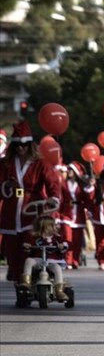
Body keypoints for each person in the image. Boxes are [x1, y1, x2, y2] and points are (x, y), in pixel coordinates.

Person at [0, 121, 61, 283]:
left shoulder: (40, 163)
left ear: (30, 144)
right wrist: (6, 186)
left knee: (30, 248)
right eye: (18, 145)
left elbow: (53, 182)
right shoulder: (5, 164)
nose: (21, 148)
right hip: (11, 211)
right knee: (12, 252)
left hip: (33, 210)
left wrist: (54, 198)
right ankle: (19, 282)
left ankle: (31, 279)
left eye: (25, 144)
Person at [20, 214, 69, 301]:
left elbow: (67, 244)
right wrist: (27, 245)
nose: (55, 227)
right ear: (45, 227)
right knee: (28, 261)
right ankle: (26, 282)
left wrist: (63, 245)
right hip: (37, 260)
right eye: (52, 226)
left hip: (51, 261)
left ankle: (59, 291)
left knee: (57, 268)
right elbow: (27, 244)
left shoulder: (57, 238)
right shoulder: (34, 237)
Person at [61, 161, 93, 269]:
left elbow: (88, 200)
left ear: (75, 172)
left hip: (78, 214)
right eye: (68, 170)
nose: (68, 172)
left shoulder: (81, 185)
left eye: (70, 170)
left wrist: (90, 188)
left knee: (77, 240)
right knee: (67, 238)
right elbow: (60, 199)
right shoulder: (63, 184)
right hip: (66, 214)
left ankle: (75, 260)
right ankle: (68, 261)